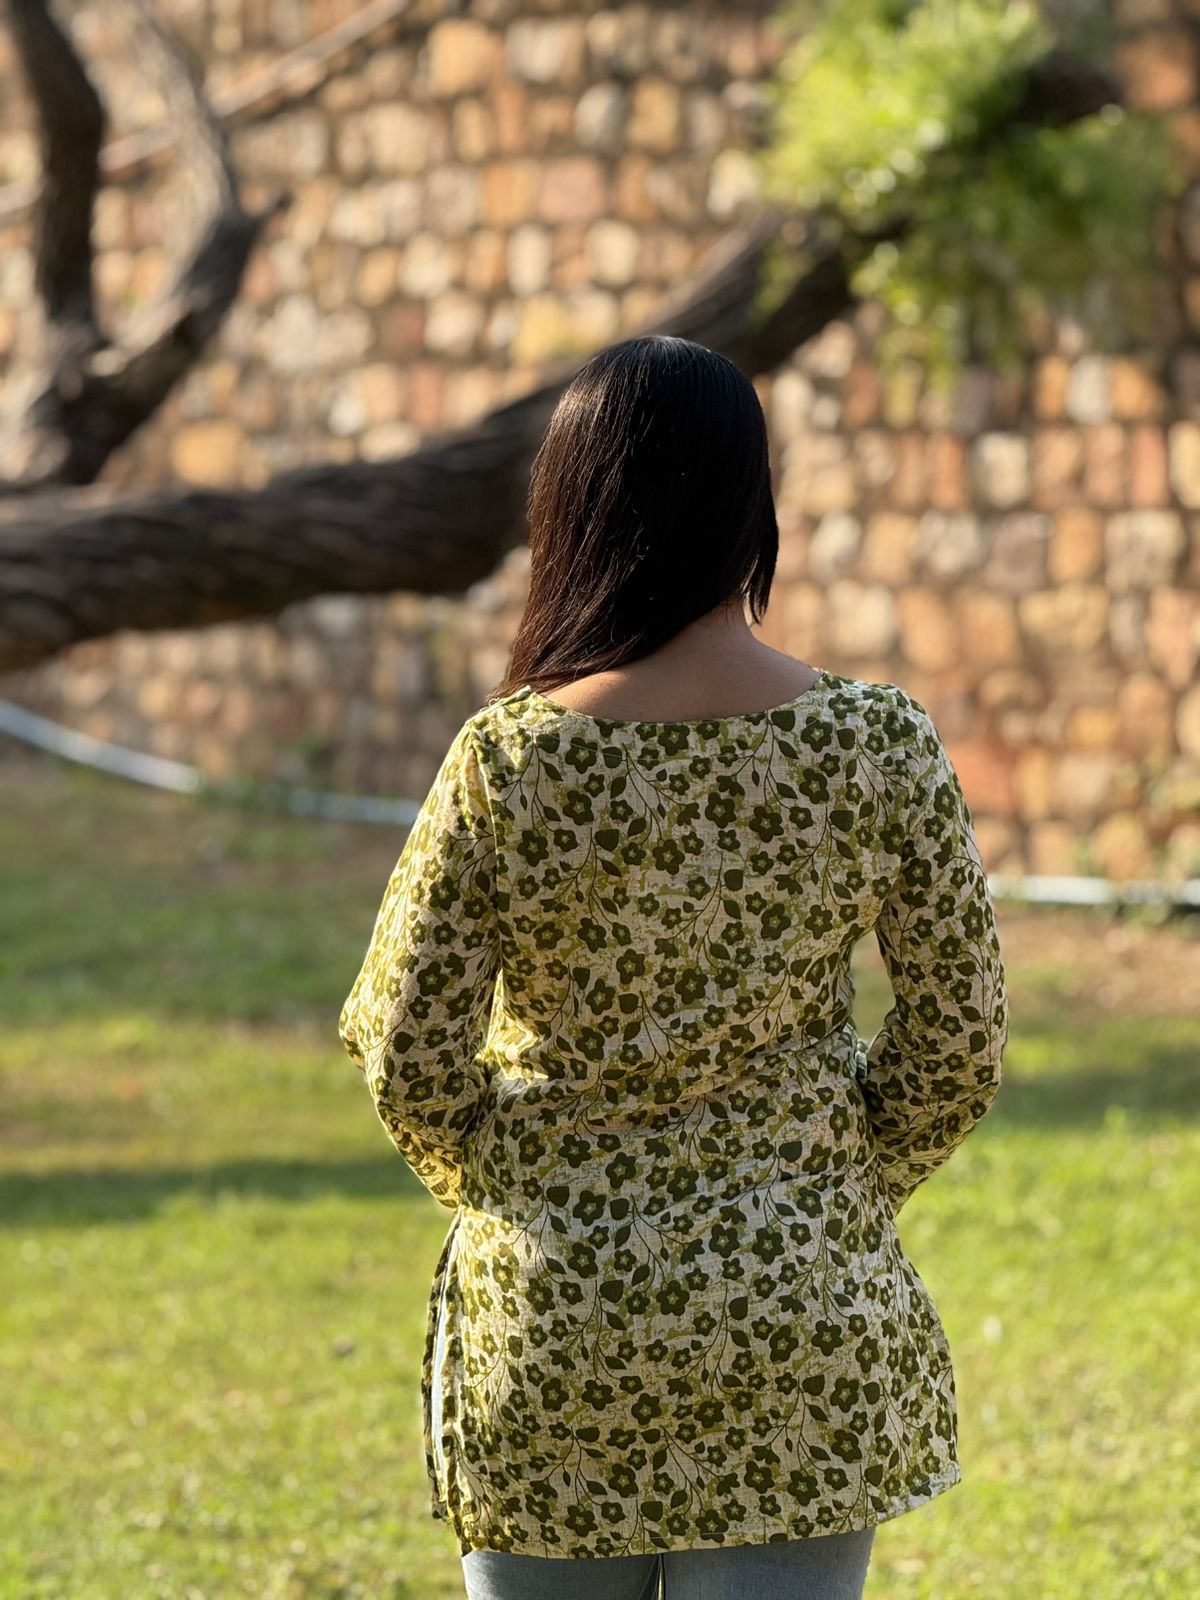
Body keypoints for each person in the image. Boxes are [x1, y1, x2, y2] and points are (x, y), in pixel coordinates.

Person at [337, 335, 1009, 1600]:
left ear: (571, 510)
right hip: (799, 1312)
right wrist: (838, 1175)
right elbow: (960, 1033)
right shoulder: (875, 744)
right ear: (754, 505)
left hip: (557, 1322)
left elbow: (406, 1049)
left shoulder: (508, 764)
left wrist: (514, 1186)